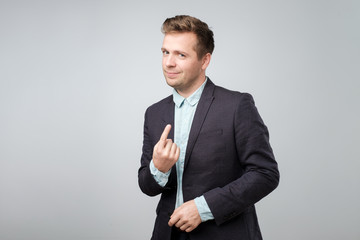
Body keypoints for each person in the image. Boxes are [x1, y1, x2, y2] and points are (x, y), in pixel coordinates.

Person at [138, 15, 279, 240]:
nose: (169, 63)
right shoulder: (154, 113)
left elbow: (265, 173)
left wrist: (203, 208)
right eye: (165, 52)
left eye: (181, 55)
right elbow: (146, 186)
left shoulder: (236, 105)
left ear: (205, 60)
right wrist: (159, 168)